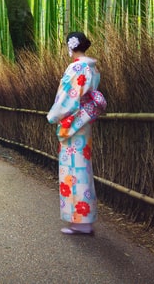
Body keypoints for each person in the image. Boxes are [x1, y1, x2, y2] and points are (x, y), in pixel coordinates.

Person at [46, 31, 105, 235]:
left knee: (73, 171)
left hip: (74, 123)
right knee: (83, 169)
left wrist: (54, 115)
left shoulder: (77, 67)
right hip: (84, 123)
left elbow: (68, 97)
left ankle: (80, 222)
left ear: (70, 47)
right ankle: (83, 221)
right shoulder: (92, 68)